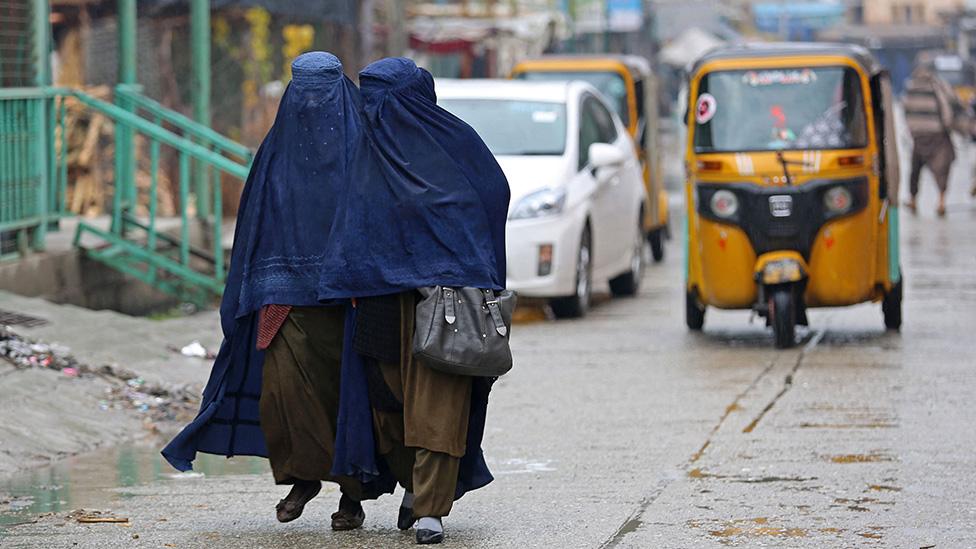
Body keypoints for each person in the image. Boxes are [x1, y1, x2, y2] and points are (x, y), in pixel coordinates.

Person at [162, 51, 385, 530]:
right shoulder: (276, 154)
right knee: (285, 396)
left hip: (349, 302)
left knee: (348, 400)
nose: (312, 101)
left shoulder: (365, 148)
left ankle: (351, 496)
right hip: (284, 302)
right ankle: (302, 478)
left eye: (321, 88)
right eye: (302, 89)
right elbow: (254, 227)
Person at [319, 57, 510, 544]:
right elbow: (349, 218)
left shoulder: (455, 145)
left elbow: (489, 195)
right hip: (381, 296)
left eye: (382, 97)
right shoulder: (365, 149)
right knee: (388, 403)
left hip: (445, 298)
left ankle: (430, 508)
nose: (372, 108)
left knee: (439, 404)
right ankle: (412, 486)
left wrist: (452, 256)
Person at [904, 63, 963, 216]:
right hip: (937, 134)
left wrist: (912, 130)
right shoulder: (937, 86)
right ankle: (941, 202)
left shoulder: (910, 87)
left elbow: (906, 111)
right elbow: (947, 107)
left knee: (915, 169)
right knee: (942, 169)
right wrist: (948, 125)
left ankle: (913, 200)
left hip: (918, 135)